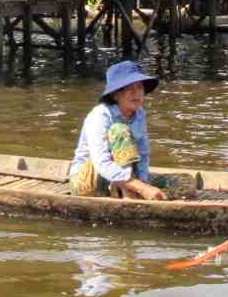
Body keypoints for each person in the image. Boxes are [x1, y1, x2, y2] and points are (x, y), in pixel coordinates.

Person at [69, 61, 168, 201]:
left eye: (139, 87)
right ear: (116, 95)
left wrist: (143, 181)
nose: (137, 93)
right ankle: (128, 194)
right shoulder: (100, 115)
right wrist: (140, 187)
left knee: (185, 183)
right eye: (129, 88)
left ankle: (129, 191)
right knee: (120, 130)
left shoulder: (139, 114)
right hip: (88, 181)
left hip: (126, 179)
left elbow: (143, 154)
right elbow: (101, 163)